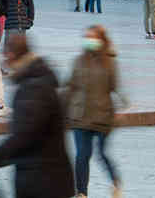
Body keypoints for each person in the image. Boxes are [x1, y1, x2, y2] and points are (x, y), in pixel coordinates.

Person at [0, 33, 75, 198]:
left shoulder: (33, 88)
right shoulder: (39, 81)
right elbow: (30, 138)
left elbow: (23, 136)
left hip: (43, 183)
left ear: (11, 55)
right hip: (48, 179)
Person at [63, 25, 123, 198]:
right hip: (79, 115)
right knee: (82, 155)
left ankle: (115, 182)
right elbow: (70, 85)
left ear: (102, 40)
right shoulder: (78, 60)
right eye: (87, 37)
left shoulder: (110, 62)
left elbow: (114, 87)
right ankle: (81, 192)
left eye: (93, 37)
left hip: (102, 115)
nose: (90, 40)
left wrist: (120, 104)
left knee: (102, 153)